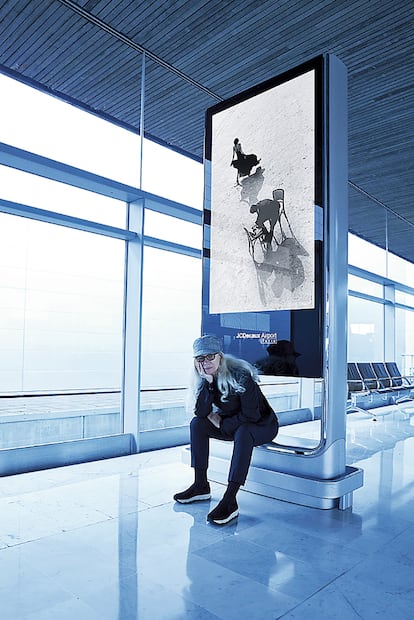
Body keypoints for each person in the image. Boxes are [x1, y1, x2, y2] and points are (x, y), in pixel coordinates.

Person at [174, 335, 279, 525]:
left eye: (209, 357)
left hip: (262, 425)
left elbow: (252, 416)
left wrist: (221, 423)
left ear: (220, 357)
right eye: (200, 359)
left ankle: (230, 499)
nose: (205, 362)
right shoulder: (204, 379)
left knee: (244, 431)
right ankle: (201, 485)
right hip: (232, 424)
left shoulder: (240, 375)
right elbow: (201, 413)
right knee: (197, 424)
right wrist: (208, 383)